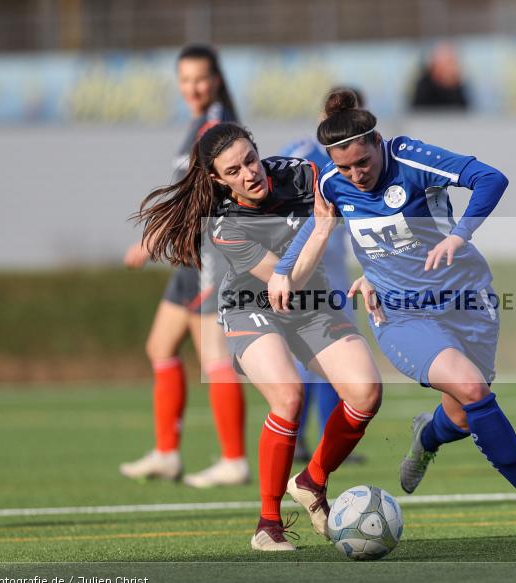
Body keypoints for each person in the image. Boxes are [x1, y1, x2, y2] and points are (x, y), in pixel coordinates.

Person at [270, 89, 516, 529]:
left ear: (378, 143)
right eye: (345, 167)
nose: (356, 175)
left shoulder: (411, 159)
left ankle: (426, 437)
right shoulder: (331, 181)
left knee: (462, 413)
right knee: (472, 389)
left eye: (363, 163)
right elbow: (316, 226)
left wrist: (459, 235)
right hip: (400, 315)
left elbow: (491, 178)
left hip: (468, 301)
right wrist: (283, 271)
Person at [138, 122, 383, 551]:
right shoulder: (225, 224)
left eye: (250, 160)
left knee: (366, 394)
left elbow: (360, 199)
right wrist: (321, 229)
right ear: (217, 179)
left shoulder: (302, 175)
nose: (249, 173)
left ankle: (312, 481)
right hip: (251, 307)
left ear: (257, 150)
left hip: (313, 304)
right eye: (233, 171)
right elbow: (285, 282)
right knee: (288, 396)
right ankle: (268, 525)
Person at [119, 45, 248, 488]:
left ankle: (234, 460)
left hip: (210, 254)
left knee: (214, 356)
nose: (192, 87)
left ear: (216, 80)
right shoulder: (198, 124)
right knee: (160, 346)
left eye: (201, 79)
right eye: (185, 80)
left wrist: (153, 237)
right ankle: (167, 454)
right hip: (188, 256)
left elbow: (204, 192)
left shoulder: (217, 125)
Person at [278, 86, 362, 463]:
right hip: (308, 263)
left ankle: (331, 440)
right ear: (322, 118)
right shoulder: (302, 154)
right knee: (308, 352)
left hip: (337, 264)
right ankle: (294, 436)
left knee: (337, 351)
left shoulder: (361, 154)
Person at [410, 43, 470, 112]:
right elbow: (418, 110)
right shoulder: (424, 85)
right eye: (446, 61)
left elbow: (463, 110)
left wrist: (452, 87)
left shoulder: (458, 85)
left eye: (451, 61)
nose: (448, 67)